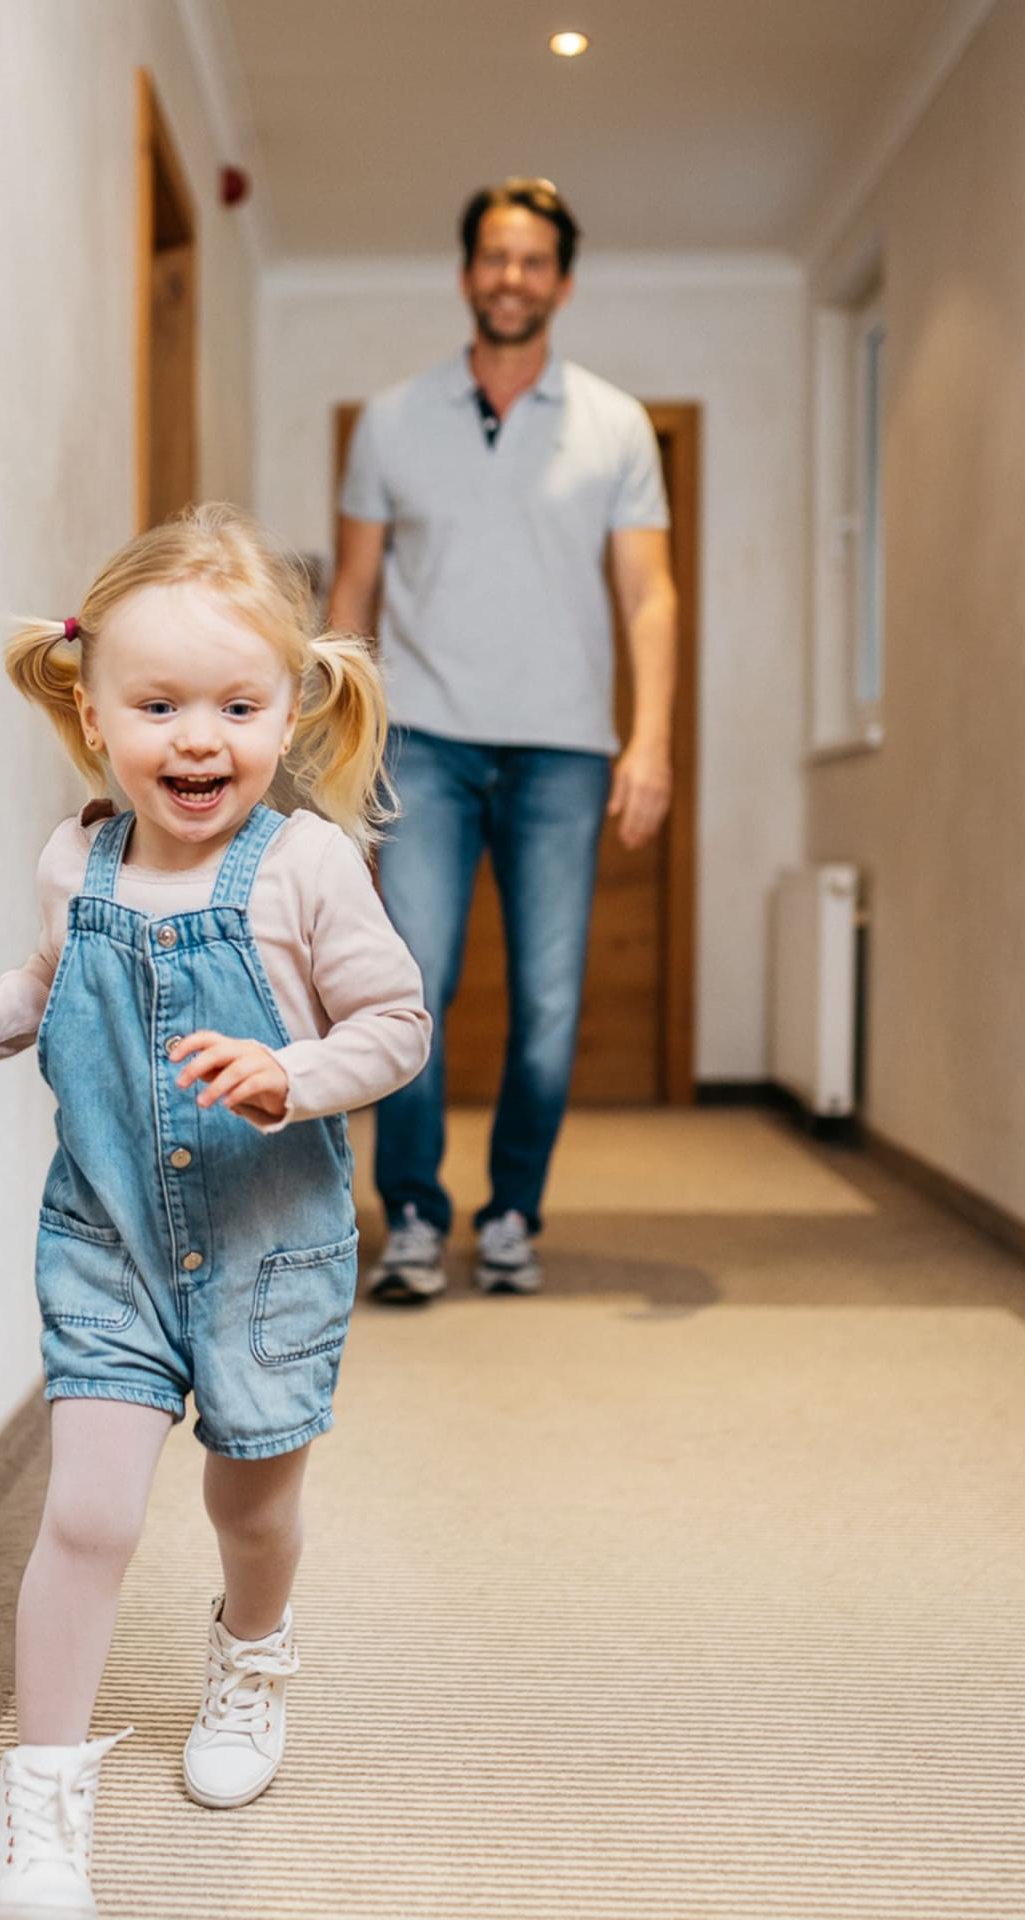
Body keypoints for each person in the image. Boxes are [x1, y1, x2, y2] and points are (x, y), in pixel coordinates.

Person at [0, 503, 429, 1920]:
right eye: (161, 705)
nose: (201, 741)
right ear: (93, 711)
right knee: (85, 1514)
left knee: (248, 1503)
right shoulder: (75, 861)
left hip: (268, 1252)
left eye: (238, 707)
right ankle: (46, 1802)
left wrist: (294, 1073)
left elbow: (397, 1027)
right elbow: (56, 978)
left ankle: (253, 1645)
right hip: (111, 1240)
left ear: (291, 708)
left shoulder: (308, 868)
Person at [328, 177, 679, 1305]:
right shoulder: (391, 419)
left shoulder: (617, 424)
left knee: (550, 1001)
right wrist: (340, 745)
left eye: (533, 260)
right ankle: (418, 1216)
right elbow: (353, 590)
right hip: (423, 741)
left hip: (565, 749)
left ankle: (515, 1210)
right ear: (467, 271)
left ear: (562, 282)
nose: (511, 277)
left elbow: (651, 597)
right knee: (408, 984)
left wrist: (651, 742)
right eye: (493, 256)